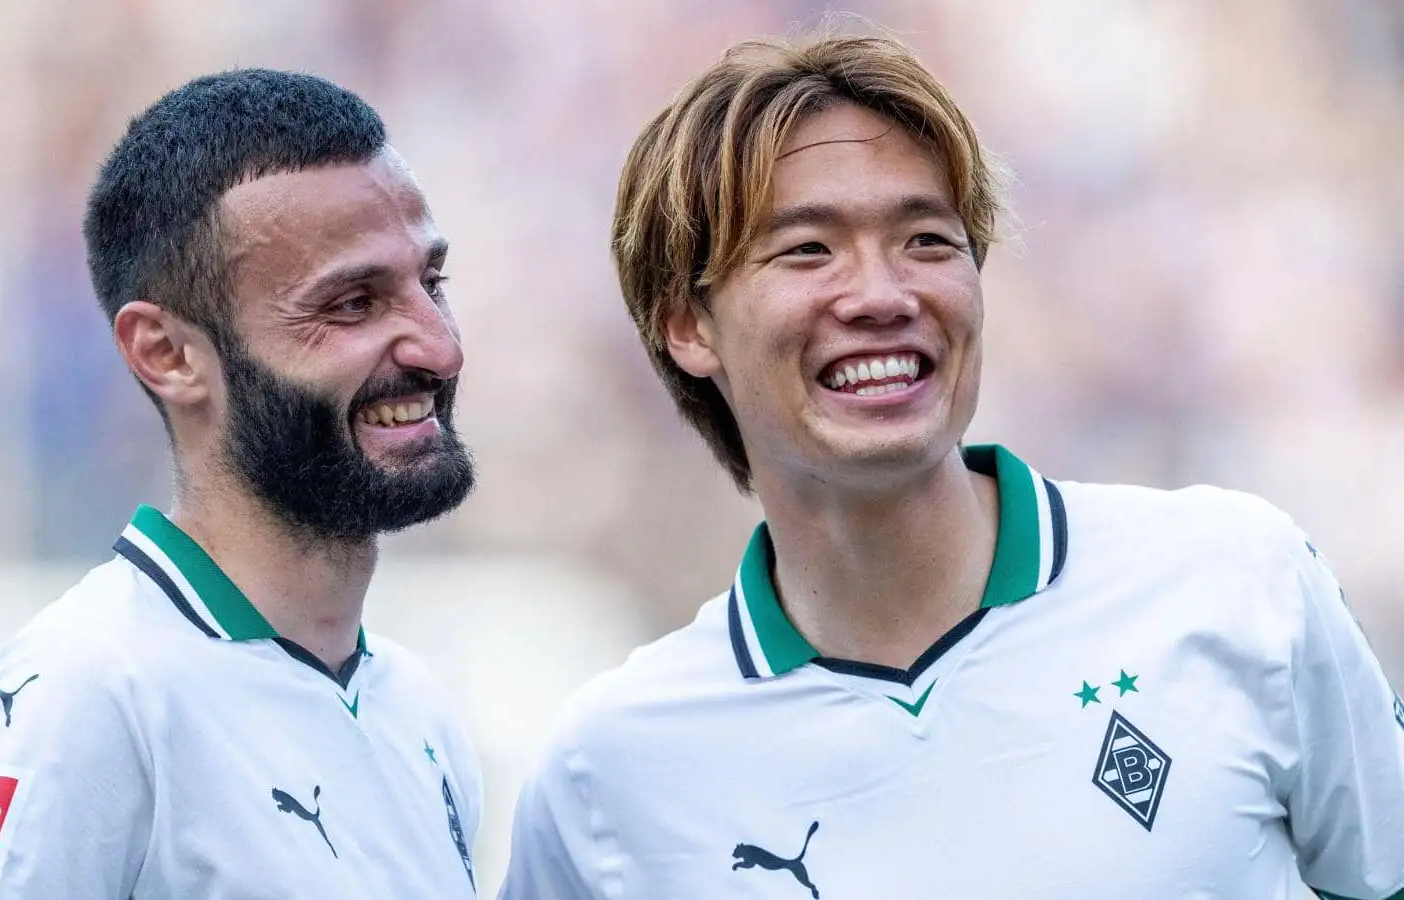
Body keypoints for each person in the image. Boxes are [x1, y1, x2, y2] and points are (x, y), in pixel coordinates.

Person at [499, 30, 1404, 900]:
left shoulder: (1237, 579)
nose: (884, 296)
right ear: (688, 324)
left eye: (927, 240)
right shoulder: (612, 773)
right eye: (808, 249)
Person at [0, 69, 482, 898]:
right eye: (353, 303)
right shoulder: (85, 696)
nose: (437, 346)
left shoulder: (416, 711)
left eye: (432, 283)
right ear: (167, 354)